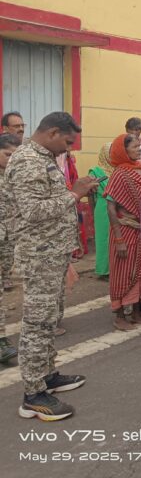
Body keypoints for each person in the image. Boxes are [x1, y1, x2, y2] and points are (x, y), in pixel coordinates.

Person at [10, 112, 98, 421]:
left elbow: (48, 197)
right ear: (52, 132)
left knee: (48, 319)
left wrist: (76, 188)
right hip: (39, 254)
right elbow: (33, 211)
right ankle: (33, 394)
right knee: (37, 323)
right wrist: (75, 194)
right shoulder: (27, 161)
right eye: (67, 141)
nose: (70, 147)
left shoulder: (43, 156)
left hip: (52, 252)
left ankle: (46, 375)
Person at [104, 134, 141, 331]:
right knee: (123, 272)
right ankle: (119, 315)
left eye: (139, 146)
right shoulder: (120, 173)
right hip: (125, 230)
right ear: (123, 150)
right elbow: (111, 207)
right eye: (134, 146)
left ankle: (137, 312)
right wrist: (119, 238)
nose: (138, 149)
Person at [0, 134, 19, 363]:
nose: (11, 160)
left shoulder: (13, 176)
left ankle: (2, 339)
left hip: (7, 241)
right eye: (7, 155)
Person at [88, 143, 113, 278]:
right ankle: (103, 270)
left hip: (118, 207)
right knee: (104, 238)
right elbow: (90, 193)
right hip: (103, 207)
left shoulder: (119, 169)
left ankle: (116, 268)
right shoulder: (95, 171)